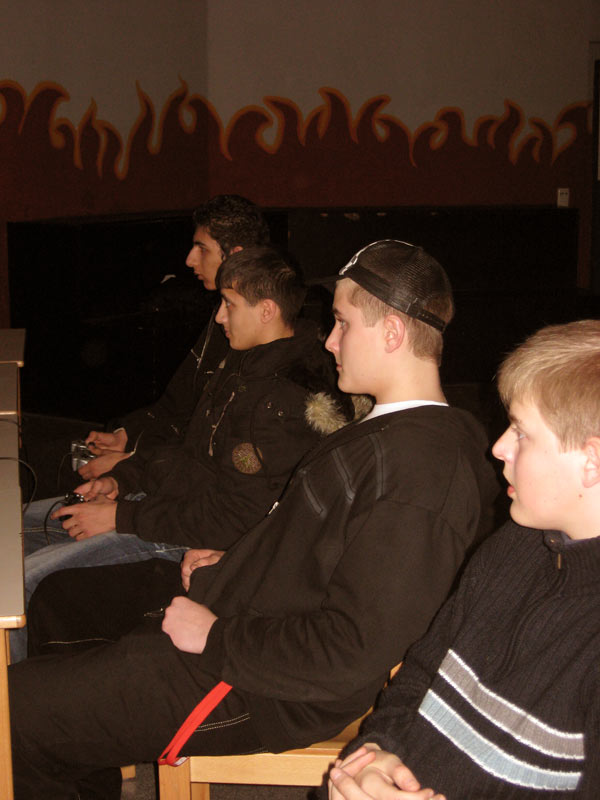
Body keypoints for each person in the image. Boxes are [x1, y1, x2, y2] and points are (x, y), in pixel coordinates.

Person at [9, 239, 498, 799]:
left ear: (391, 332)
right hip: (242, 611)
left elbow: (351, 650)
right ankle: (81, 755)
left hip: (263, 684)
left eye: (342, 323)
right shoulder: (386, 430)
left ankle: (61, 734)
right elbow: (317, 546)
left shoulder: (423, 473)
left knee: (12, 715)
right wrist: (234, 559)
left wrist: (215, 636)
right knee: (60, 604)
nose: (329, 340)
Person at [13, 245, 351, 662]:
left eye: (229, 304)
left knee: (23, 582)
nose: (220, 317)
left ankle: (9, 699)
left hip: (188, 536)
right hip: (165, 506)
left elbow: (233, 520)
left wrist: (120, 516)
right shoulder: (242, 362)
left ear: (266, 310)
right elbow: (187, 451)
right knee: (12, 528)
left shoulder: (284, 402)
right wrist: (122, 479)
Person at [328, 319, 600, 800]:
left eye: (522, 433)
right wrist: (374, 756)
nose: (499, 447)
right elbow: (419, 675)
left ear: (591, 461)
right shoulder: (511, 549)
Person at [78, 193, 271, 479]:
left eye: (201, 249)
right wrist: (128, 435)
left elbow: (214, 455)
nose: (190, 260)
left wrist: (133, 461)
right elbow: (179, 402)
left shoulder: (259, 337)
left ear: (235, 254)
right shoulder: (223, 315)